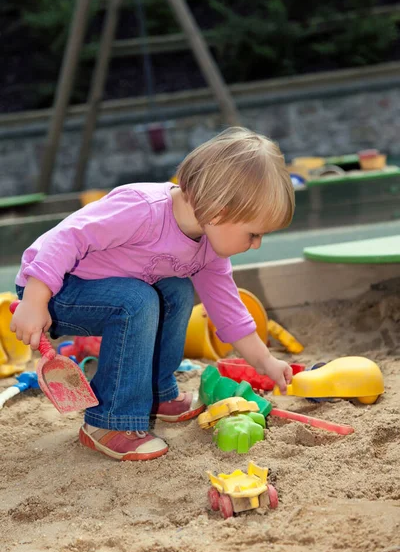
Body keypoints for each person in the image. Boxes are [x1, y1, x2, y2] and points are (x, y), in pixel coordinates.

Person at [10, 127, 295, 462]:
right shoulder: (143, 210)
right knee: (137, 300)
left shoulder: (208, 249)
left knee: (174, 290)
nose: (256, 243)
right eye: (254, 233)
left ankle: (155, 391)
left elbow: (228, 310)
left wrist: (265, 362)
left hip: (113, 294)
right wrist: (34, 299)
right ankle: (110, 421)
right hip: (54, 288)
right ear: (220, 211)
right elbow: (67, 237)